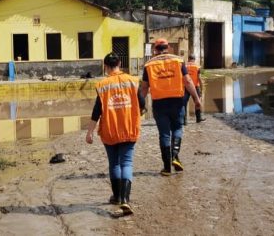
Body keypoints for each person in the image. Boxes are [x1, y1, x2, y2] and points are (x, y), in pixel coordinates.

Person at [85, 53, 143, 215]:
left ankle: (116, 196)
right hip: (129, 129)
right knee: (127, 163)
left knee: (114, 164)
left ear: (105, 66)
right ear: (119, 63)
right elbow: (143, 103)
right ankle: (125, 199)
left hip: (110, 131)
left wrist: (89, 133)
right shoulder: (132, 81)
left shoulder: (103, 85)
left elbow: (96, 112)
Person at [140, 38, 201, 176]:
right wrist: (196, 99)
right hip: (177, 102)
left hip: (159, 104)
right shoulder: (178, 61)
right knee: (178, 128)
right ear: (168, 47)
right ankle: (174, 156)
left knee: (164, 134)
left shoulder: (149, 64)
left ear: (155, 49)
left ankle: (167, 167)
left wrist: (139, 105)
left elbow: (144, 88)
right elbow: (188, 81)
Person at [184, 55, 206, 124]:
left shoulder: (184, 66)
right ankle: (198, 118)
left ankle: (184, 121)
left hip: (186, 86)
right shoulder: (197, 67)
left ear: (188, 59)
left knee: (184, 103)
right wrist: (202, 89)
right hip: (195, 87)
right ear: (194, 59)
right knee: (197, 102)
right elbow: (199, 78)